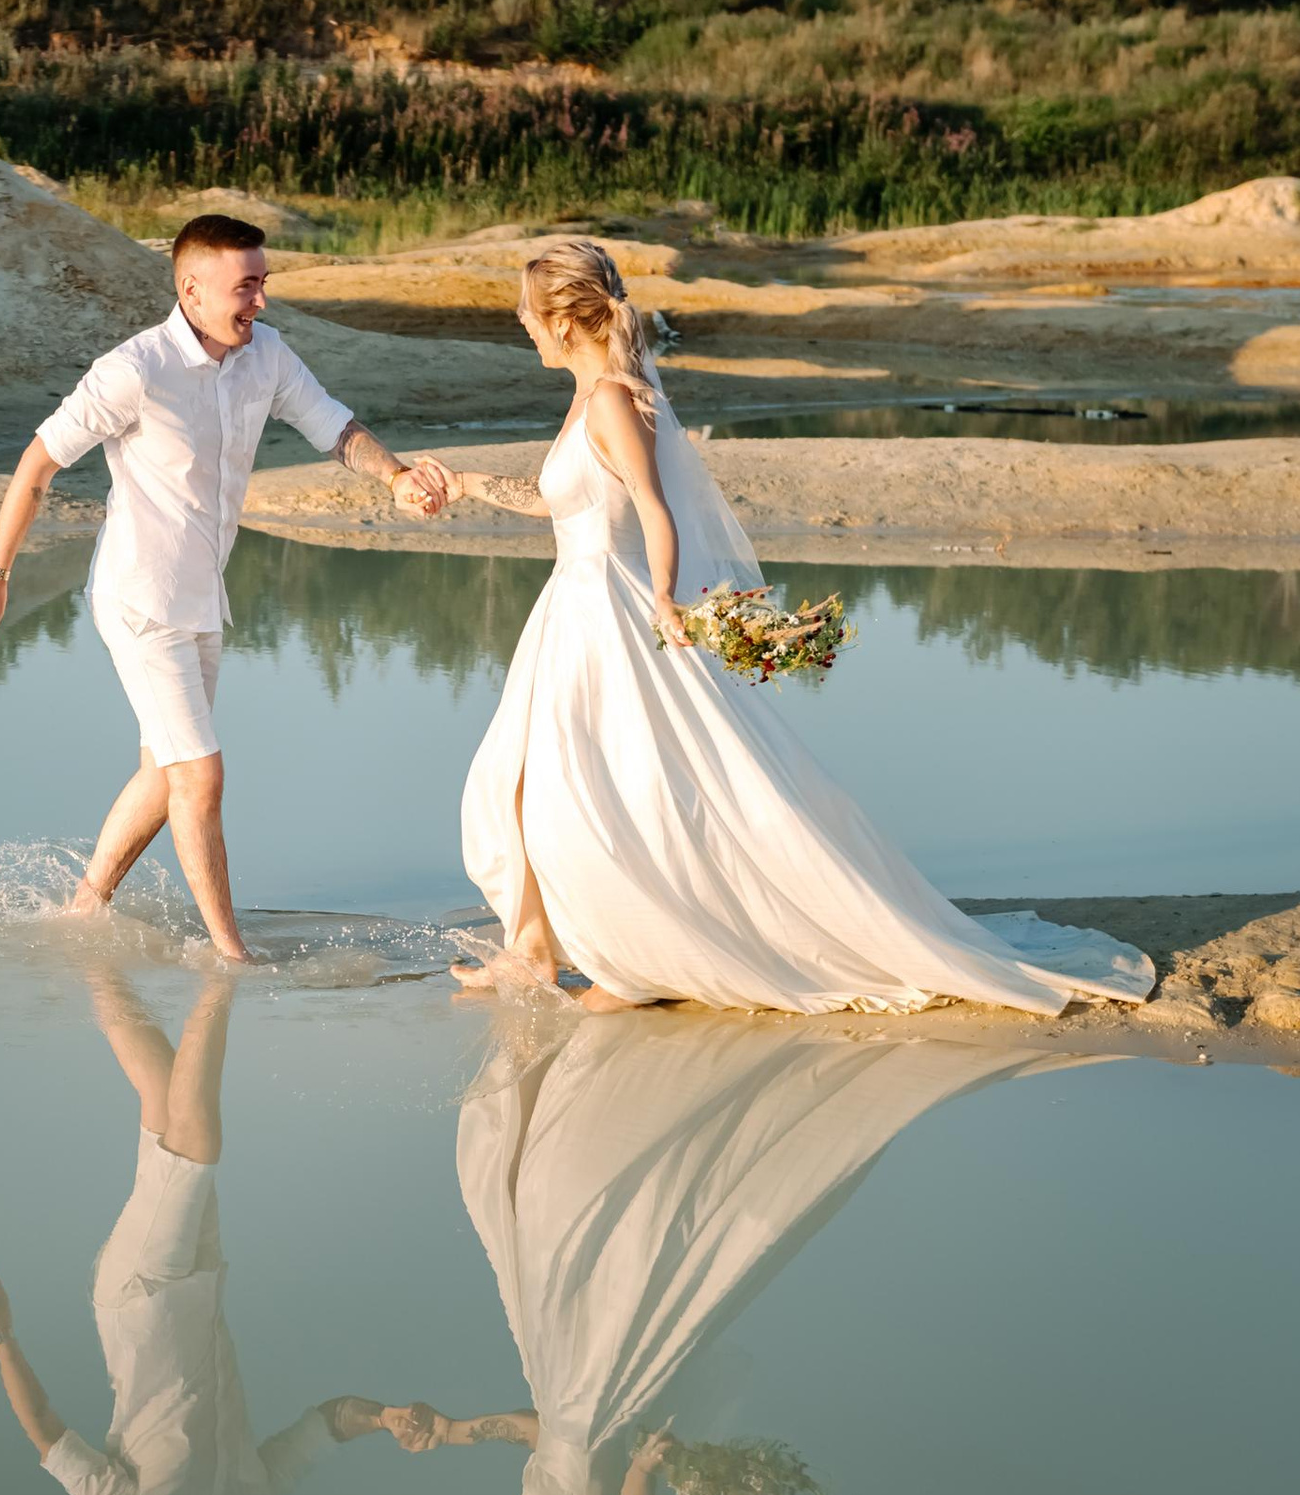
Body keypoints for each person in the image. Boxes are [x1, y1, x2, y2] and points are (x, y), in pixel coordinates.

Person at [438, 238, 1153, 1015]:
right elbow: (567, 505)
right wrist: (468, 482)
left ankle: (637, 955)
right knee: (520, 780)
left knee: (607, 788)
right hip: (568, 614)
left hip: (610, 615)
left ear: (564, 321)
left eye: (527, 311)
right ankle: (534, 950)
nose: (521, 323)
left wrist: (666, 597)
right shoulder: (586, 399)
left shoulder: (611, 399)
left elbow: (652, 508)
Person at [394, 1010, 1077, 1495]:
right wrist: (645, 1466)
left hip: (564, 1396)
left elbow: (546, 1438)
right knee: (574, 1229)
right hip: (587, 1397)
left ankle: (587, 1062)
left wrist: (456, 1432)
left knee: (536, 1218)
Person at [0, 214, 451, 962]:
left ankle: (85, 907)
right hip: (138, 598)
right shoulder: (135, 369)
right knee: (199, 774)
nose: (260, 301)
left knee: (166, 770)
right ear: (191, 291)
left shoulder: (267, 355)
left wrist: (396, 476)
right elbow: (38, 465)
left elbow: (334, 427)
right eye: (244, 287)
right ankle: (231, 953)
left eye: (263, 283)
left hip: (201, 599)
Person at [0, 967, 426, 1495]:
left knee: (196, 1141)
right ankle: (92, 952)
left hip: (140, 1295)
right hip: (202, 1280)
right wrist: (384, 1418)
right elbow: (328, 1424)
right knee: (163, 1100)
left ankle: (221, 974)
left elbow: (47, 1434)